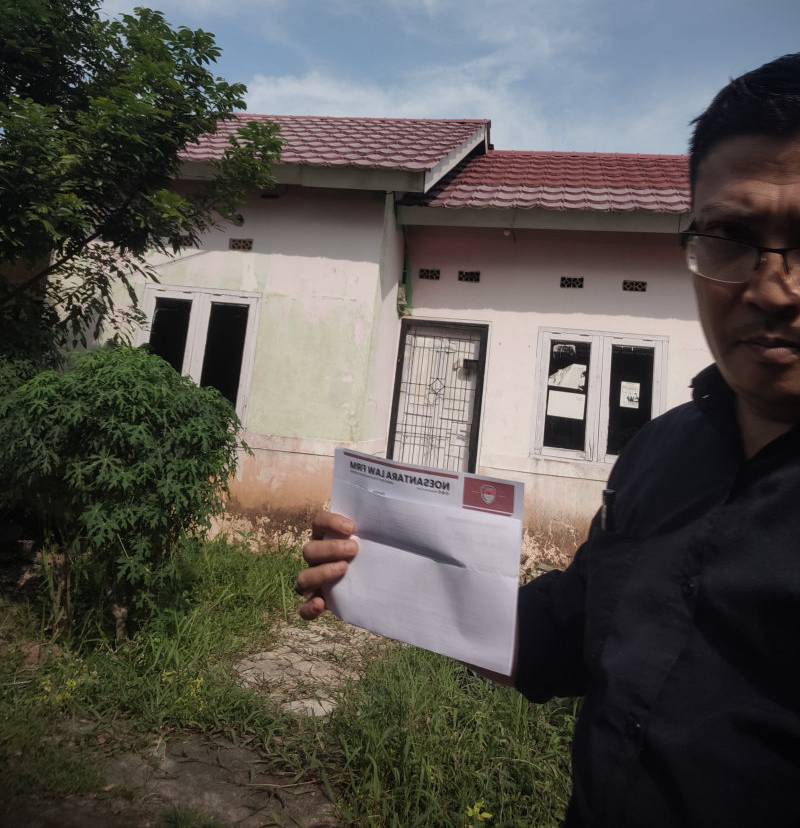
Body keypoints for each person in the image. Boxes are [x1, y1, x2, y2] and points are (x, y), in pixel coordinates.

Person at [295, 52, 800, 827]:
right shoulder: (660, 454)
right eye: (731, 235)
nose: (771, 287)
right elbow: (568, 633)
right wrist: (382, 576)